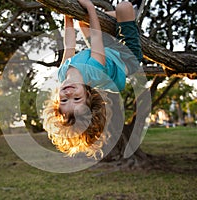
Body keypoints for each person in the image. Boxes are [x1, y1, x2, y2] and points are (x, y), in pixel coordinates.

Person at [42, 0, 143, 159]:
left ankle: (124, 19)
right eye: (76, 98)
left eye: (64, 101)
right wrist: (90, 6)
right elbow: (96, 36)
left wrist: (67, 16)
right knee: (124, 6)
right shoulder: (94, 72)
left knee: (83, 21)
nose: (69, 94)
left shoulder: (62, 74)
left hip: (106, 50)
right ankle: (128, 18)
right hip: (126, 55)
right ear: (88, 95)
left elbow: (69, 46)